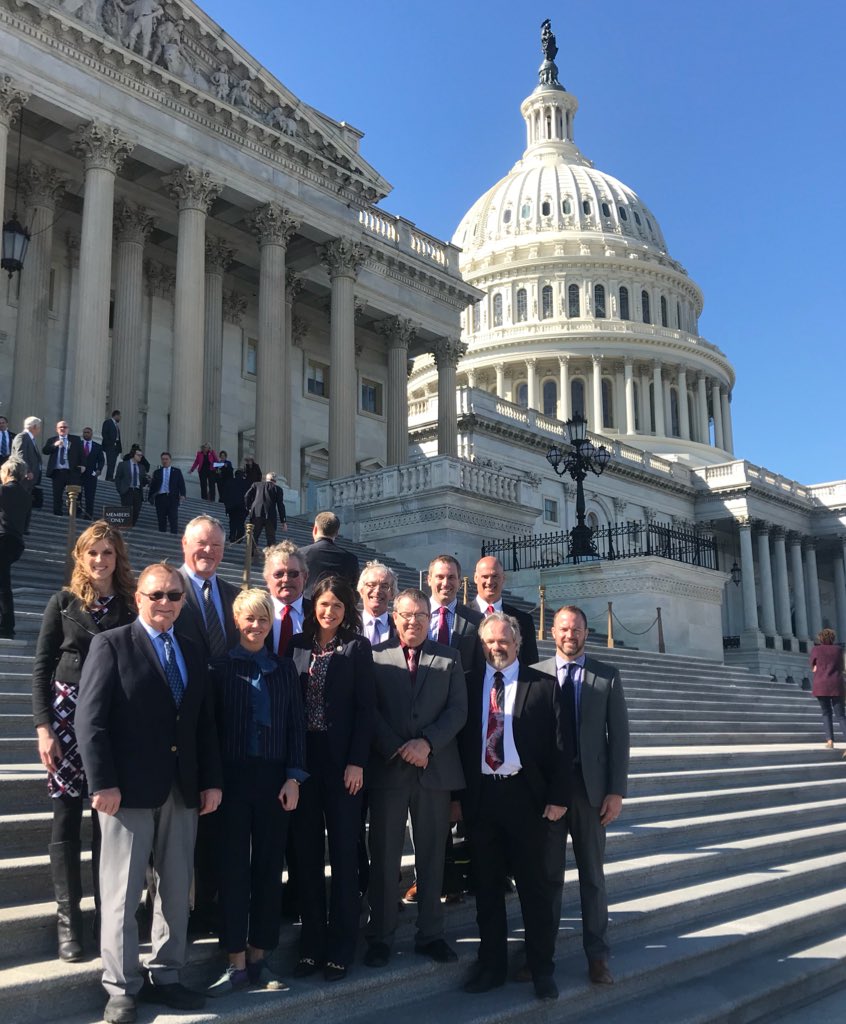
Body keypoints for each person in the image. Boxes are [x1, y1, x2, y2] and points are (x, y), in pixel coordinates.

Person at [76, 563, 222, 1024]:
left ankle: (168, 973)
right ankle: (121, 987)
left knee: (176, 890)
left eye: (174, 596)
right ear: (138, 596)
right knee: (121, 895)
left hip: (181, 790)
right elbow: (90, 721)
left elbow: (204, 724)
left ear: (183, 601)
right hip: (127, 793)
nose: (165, 603)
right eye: (156, 594)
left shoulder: (193, 651)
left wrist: (211, 780)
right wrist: (102, 783)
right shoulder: (111, 644)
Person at [31, 522, 136, 961]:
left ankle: (104, 921)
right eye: (92, 553)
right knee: (65, 821)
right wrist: (43, 728)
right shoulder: (63, 602)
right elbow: (40, 666)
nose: (99, 561)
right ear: (80, 557)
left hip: (111, 723)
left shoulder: (132, 605)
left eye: (107, 553)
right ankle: (69, 924)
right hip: (65, 720)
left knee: (108, 827)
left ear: (117, 557)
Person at [457, 613, 570, 1001]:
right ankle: (491, 965)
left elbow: (562, 748)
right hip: (483, 798)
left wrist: (558, 798)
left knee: (534, 890)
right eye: (489, 642)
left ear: (518, 643)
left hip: (527, 799)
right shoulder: (470, 685)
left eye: (503, 641)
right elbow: (459, 744)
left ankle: (542, 968)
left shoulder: (545, 686)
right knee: (486, 890)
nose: (496, 648)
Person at [206, 589, 306, 996]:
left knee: (268, 869)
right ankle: (234, 961)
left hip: (273, 781)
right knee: (232, 869)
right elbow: (208, 731)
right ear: (236, 621)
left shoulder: (284, 670)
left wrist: (294, 777)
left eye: (263, 619)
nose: (255, 626)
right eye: (248, 619)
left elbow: (296, 727)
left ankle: (260, 957)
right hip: (231, 781)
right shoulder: (219, 668)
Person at [365, 588, 467, 969]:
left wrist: (426, 744)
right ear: (394, 618)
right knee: (385, 857)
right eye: (406, 615)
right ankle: (381, 936)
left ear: (430, 618)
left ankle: (431, 934)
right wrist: (397, 746)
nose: (413, 622)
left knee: (431, 857)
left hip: (433, 769)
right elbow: (368, 710)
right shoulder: (375, 658)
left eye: (421, 615)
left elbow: (458, 711)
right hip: (389, 770)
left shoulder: (450, 658)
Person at [536, 605, 630, 986]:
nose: (569, 635)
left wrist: (616, 792)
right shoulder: (537, 675)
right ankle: (542, 955)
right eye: (562, 628)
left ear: (586, 633)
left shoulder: (606, 676)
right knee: (548, 878)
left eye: (575, 629)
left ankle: (597, 956)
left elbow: (619, 738)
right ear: (552, 632)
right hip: (550, 795)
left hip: (591, 793)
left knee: (593, 876)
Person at [287, 577, 375, 982]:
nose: (330, 611)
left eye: (338, 605)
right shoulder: (297, 646)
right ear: (314, 606)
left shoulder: (357, 648)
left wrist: (357, 762)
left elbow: (365, 710)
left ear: (347, 610)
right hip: (304, 764)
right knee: (305, 856)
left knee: (343, 854)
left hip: (343, 766)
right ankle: (312, 944)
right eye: (324, 604)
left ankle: (342, 944)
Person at [176, 514, 239, 933]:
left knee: (217, 827)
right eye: (202, 544)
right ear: (185, 546)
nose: (209, 552)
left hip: (226, 727)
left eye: (216, 545)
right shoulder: (165, 591)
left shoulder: (233, 595)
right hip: (180, 729)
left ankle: (209, 905)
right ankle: (171, 909)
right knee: (176, 831)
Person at [473, 555, 539, 666]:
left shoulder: (523, 620)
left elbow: (531, 664)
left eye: (495, 576)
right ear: (475, 578)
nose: (490, 582)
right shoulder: (460, 616)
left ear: (503, 578)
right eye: (485, 576)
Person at [427, 554, 483, 676]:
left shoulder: (476, 620)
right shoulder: (416, 615)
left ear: (459, 582)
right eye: (440, 577)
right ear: (429, 580)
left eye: (451, 577)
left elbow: (480, 666)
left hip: (462, 692)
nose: (445, 583)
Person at [0, 459, 31, 638]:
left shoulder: (3, 490)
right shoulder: (27, 496)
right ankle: (6, 626)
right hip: (15, 543)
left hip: (2, 539)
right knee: (3, 583)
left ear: (8, 472)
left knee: (3, 585)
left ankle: (6, 627)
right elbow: (26, 526)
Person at [263, 542, 311, 653]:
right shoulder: (255, 612)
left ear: (305, 576)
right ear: (267, 579)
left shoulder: (317, 615)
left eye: (293, 573)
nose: (286, 579)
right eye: (278, 574)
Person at [300, 511, 360, 596]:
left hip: (308, 606)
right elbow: (354, 592)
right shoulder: (351, 559)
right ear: (336, 533)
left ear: (315, 529)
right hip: (339, 605)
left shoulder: (301, 554)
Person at [809, 628, 846, 752]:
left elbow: (813, 668)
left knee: (826, 713)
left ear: (821, 639)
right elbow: (841, 667)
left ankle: (829, 740)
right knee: (841, 715)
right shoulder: (838, 650)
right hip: (836, 684)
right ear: (833, 638)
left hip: (821, 684)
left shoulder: (816, 650)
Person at [43, 420, 84, 516]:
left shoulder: (75, 440)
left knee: (73, 494)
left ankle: (74, 513)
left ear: (68, 429)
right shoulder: (52, 440)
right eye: (60, 427)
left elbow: (82, 454)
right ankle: (57, 512)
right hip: (57, 472)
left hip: (71, 471)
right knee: (57, 494)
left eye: (65, 427)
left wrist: (83, 465)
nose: (62, 429)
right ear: (57, 429)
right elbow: (45, 451)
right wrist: (54, 445)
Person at [11, 415, 42, 531]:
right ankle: (19, 527)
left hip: (30, 480)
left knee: (26, 504)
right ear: (34, 427)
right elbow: (20, 455)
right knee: (20, 503)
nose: (39, 430)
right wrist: (27, 471)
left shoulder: (31, 439)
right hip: (23, 478)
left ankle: (24, 527)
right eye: (38, 427)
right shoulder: (22, 437)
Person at [358, 561, 398, 647]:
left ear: (392, 593)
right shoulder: (347, 626)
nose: (377, 591)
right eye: (371, 585)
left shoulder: (399, 628)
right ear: (361, 591)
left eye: (384, 586)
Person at [245, 472, 287, 550]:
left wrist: (249, 508)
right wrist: (283, 521)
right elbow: (280, 505)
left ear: (266, 479)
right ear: (275, 480)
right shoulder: (278, 489)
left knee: (254, 535)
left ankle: (251, 554)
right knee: (271, 538)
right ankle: (271, 556)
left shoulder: (256, 485)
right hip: (270, 515)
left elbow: (247, 496)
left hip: (256, 514)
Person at [147, 452, 186, 534]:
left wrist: (182, 495)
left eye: (166, 459)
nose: (164, 461)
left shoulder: (176, 471)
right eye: (163, 459)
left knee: (173, 519)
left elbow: (181, 484)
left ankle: (174, 535)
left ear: (170, 460)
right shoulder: (157, 472)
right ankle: (162, 534)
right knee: (161, 519)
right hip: (160, 498)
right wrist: (150, 497)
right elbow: (153, 486)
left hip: (172, 498)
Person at [114, 447, 147, 526]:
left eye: (141, 455)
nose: (140, 457)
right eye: (138, 455)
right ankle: (126, 526)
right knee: (127, 510)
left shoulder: (142, 467)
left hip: (138, 491)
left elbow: (143, 480)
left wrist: (148, 480)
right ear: (133, 455)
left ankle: (132, 525)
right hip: (127, 490)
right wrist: (120, 489)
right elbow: (118, 477)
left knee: (136, 510)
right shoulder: (123, 464)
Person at [79, 427, 106, 521]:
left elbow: (101, 460)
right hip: (79, 474)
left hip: (91, 475)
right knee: (77, 494)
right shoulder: (78, 444)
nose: (86, 434)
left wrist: (99, 470)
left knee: (90, 496)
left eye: (88, 432)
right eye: (84, 432)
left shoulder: (97, 447)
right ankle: (77, 512)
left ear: (91, 434)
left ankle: (88, 514)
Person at [221, 468, 248, 542]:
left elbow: (224, 495)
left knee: (232, 521)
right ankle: (239, 538)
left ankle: (232, 536)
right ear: (242, 475)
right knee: (241, 522)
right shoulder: (246, 483)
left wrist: (226, 504)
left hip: (231, 506)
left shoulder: (229, 482)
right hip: (242, 507)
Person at [101, 411, 122, 482]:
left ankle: (110, 476)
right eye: (119, 416)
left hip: (116, 447)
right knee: (110, 462)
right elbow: (104, 433)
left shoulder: (116, 426)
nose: (120, 418)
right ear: (116, 415)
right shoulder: (108, 422)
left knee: (113, 463)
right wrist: (109, 443)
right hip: (110, 446)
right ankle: (109, 477)